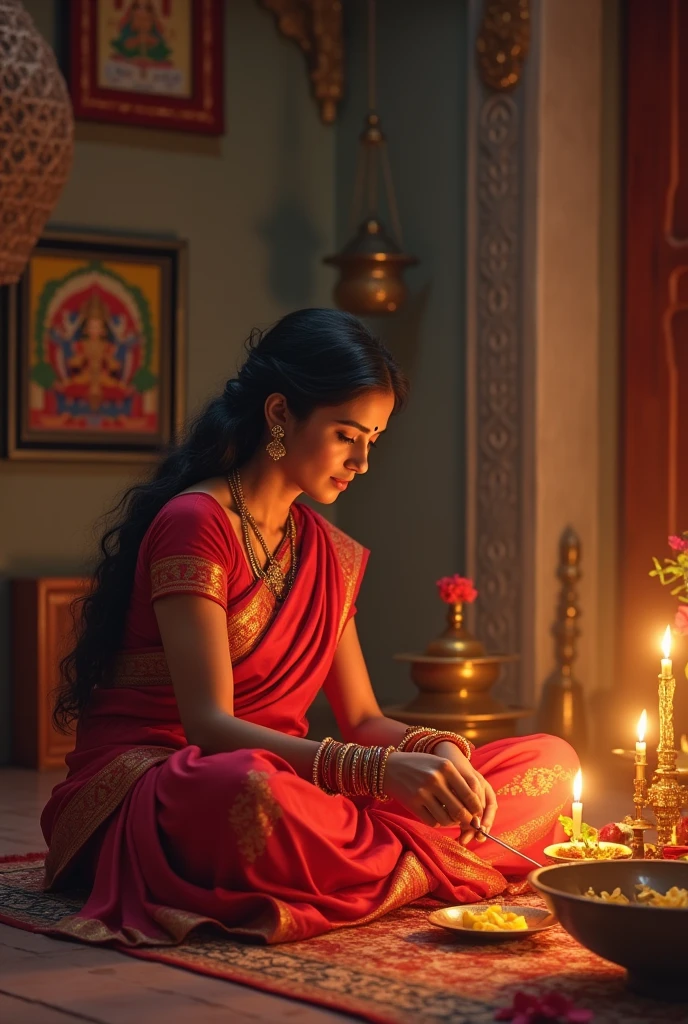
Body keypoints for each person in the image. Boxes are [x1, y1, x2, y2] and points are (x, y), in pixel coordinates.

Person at [42, 308, 577, 946]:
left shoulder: (327, 550)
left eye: (373, 440)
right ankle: (431, 863)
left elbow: (364, 720)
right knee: (253, 793)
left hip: (303, 785)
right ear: (278, 415)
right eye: (347, 434)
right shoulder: (197, 523)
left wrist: (435, 751)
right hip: (170, 780)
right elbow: (210, 728)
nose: (362, 462)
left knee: (551, 763)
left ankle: (381, 865)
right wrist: (381, 775)